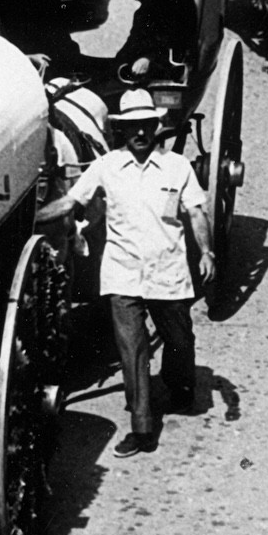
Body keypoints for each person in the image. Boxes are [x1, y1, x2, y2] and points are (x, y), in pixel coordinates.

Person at [68, 89, 214, 455]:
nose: (139, 133)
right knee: (132, 350)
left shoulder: (177, 166)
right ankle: (142, 427)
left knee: (179, 339)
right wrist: (33, 217)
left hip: (168, 271)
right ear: (122, 130)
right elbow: (73, 201)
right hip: (123, 272)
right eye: (132, 126)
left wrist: (207, 251)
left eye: (146, 125)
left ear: (155, 127)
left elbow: (196, 212)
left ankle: (180, 386)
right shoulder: (105, 166)